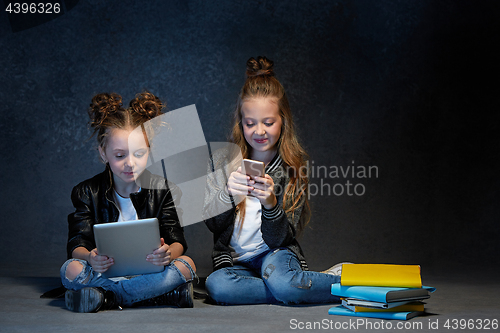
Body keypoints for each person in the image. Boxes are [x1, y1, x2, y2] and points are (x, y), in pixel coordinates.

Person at [203, 56, 346, 305]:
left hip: (275, 255)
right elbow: (213, 225)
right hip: (235, 262)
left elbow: (282, 238)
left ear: (283, 121)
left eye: (268, 122)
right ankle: (299, 284)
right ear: (241, 123)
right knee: (217, 286)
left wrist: (271, 204)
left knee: (282, 280)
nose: (259, 131)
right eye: (250, 123)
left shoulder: (294, 167)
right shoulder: (221, 160)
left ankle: (346, 281)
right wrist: (228, 195)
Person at [60, 92, 196, 312]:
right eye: (120, 155)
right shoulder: (86, 191)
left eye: (139, 154)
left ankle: (107, 298)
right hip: (104, 272)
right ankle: (154, 295)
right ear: (103, 153)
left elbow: (177, 239)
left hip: (150, 272)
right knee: (70, 269)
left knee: (187, 264)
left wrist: (168, 253)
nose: (130, 163)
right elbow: (76, 243)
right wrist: (90, 257)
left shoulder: (162, 190)